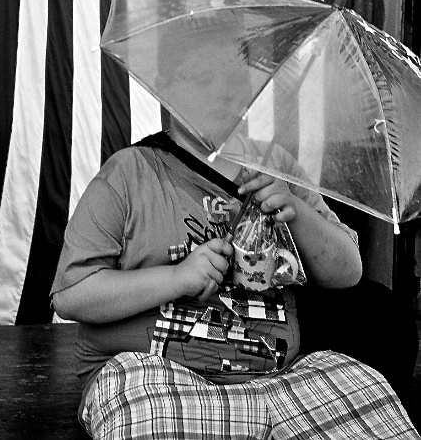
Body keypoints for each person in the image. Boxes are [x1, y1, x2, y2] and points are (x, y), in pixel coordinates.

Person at [51, 117, 420, 440]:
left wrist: (295, 210)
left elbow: (348, 272)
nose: (219, 89)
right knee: (149, 414)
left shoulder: (276, 166)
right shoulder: (129, 172)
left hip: (281, 380)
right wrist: (177, 278)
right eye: (198, 76)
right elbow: (71, 295)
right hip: (154, 378)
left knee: (361, 389)